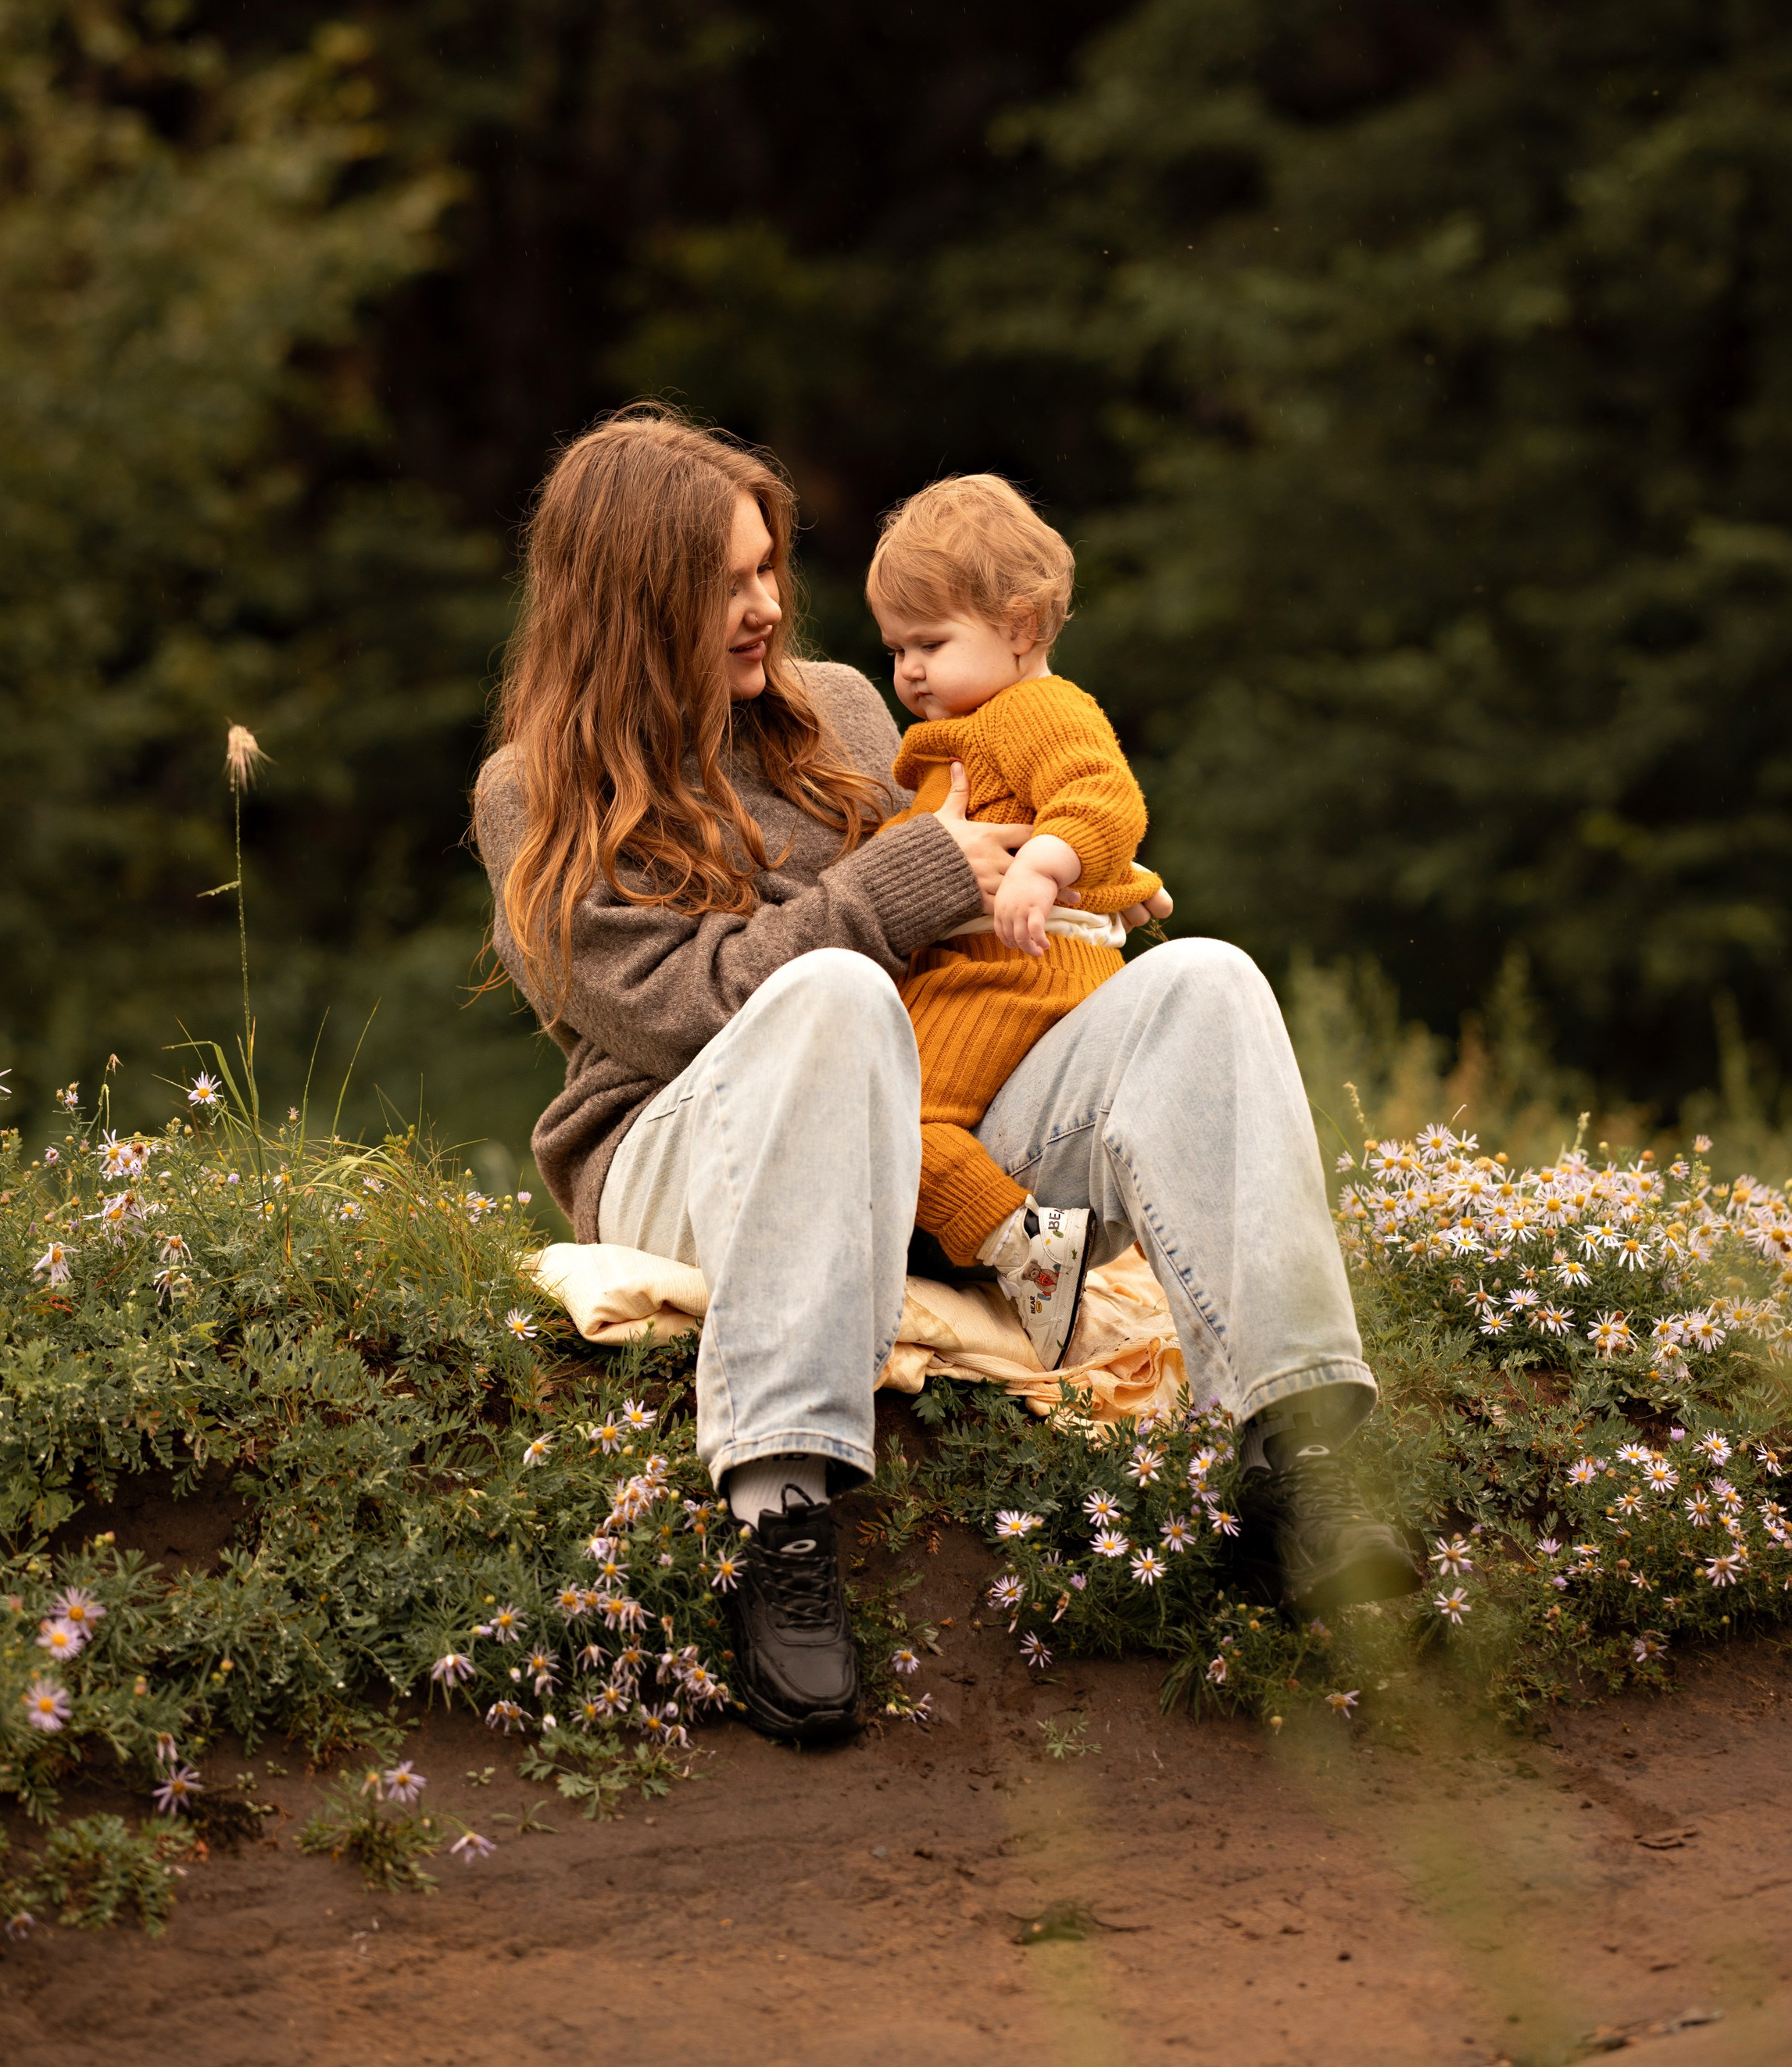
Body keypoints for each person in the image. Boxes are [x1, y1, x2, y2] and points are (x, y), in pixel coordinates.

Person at [474, 406, 1418, 1749]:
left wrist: (1066, 891)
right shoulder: (531, 789)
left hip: (915, 1116)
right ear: (632, 600)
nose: (761, 607)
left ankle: (1303, 1460)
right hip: (678, 1152)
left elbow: (950, 937)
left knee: (1205, 982)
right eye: (723, 584)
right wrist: (900, 882)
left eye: (765, 569)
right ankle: (780, 1512)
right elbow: (669, 1012)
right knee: (836, 988)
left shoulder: (846, 711)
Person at [865, 474, 1164, 1368]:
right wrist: (1126, 883)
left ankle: (1027, 1250)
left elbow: (1101, 796)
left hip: (1013, 970)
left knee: (881, 1122)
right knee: (884, 1111)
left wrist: (1047, 864)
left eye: (931, 641)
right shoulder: (970, 725)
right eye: (895, 647)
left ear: (1022, 627)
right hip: (989, 970)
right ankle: (1015, 1246)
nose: (909, 668)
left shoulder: (1034, 707)